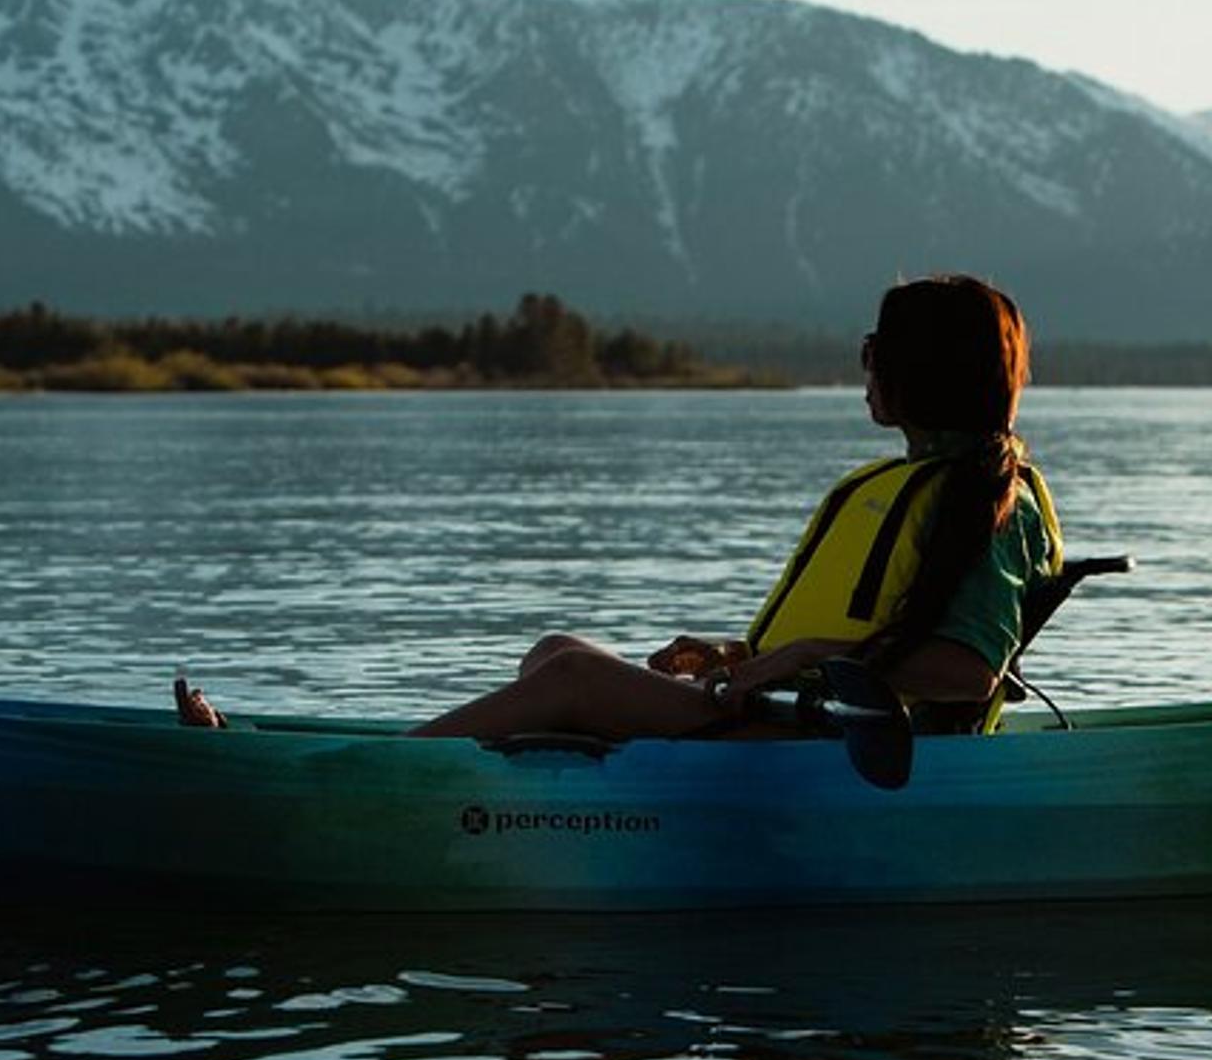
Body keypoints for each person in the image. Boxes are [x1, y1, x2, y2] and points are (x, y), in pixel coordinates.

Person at [179, 274, 1060, 738]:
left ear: (921, 371)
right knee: (556, 650)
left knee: (571, 680)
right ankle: (417, 770)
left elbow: (964, 674)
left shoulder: (991, 501)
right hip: (790, 727)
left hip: (853, 758)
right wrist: (738, 653)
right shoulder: (906, 484)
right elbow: (877, 633)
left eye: (875, 350)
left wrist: (797, 658)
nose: (862, 367)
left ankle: (344, 781)